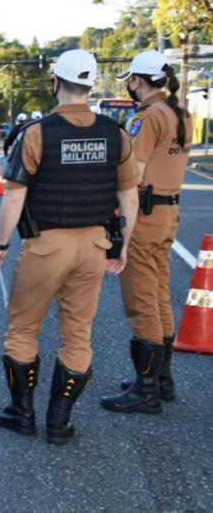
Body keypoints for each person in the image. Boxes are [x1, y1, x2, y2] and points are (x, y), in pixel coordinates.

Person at [0, 49, 139, 446]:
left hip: (46, 244)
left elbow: (14, 198)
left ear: (55, 82)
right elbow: (129, 196)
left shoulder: (38, 133)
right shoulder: (116, 133)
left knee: (23, 330)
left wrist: (1, 244)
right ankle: (59, 420)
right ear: (90, 86)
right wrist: (122, 246)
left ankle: (22, 413)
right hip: (94, 243)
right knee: (78, 334)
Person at [101, 51, 192, 414]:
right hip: (168, 211)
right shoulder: (179, 113)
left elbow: (133, 173)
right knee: (158, 294)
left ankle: (146, 388)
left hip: (144, 211)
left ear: (137, 80)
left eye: (131, 79)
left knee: (141, 300)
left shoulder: (146, 117)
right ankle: (161, 379)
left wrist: (117, 220)